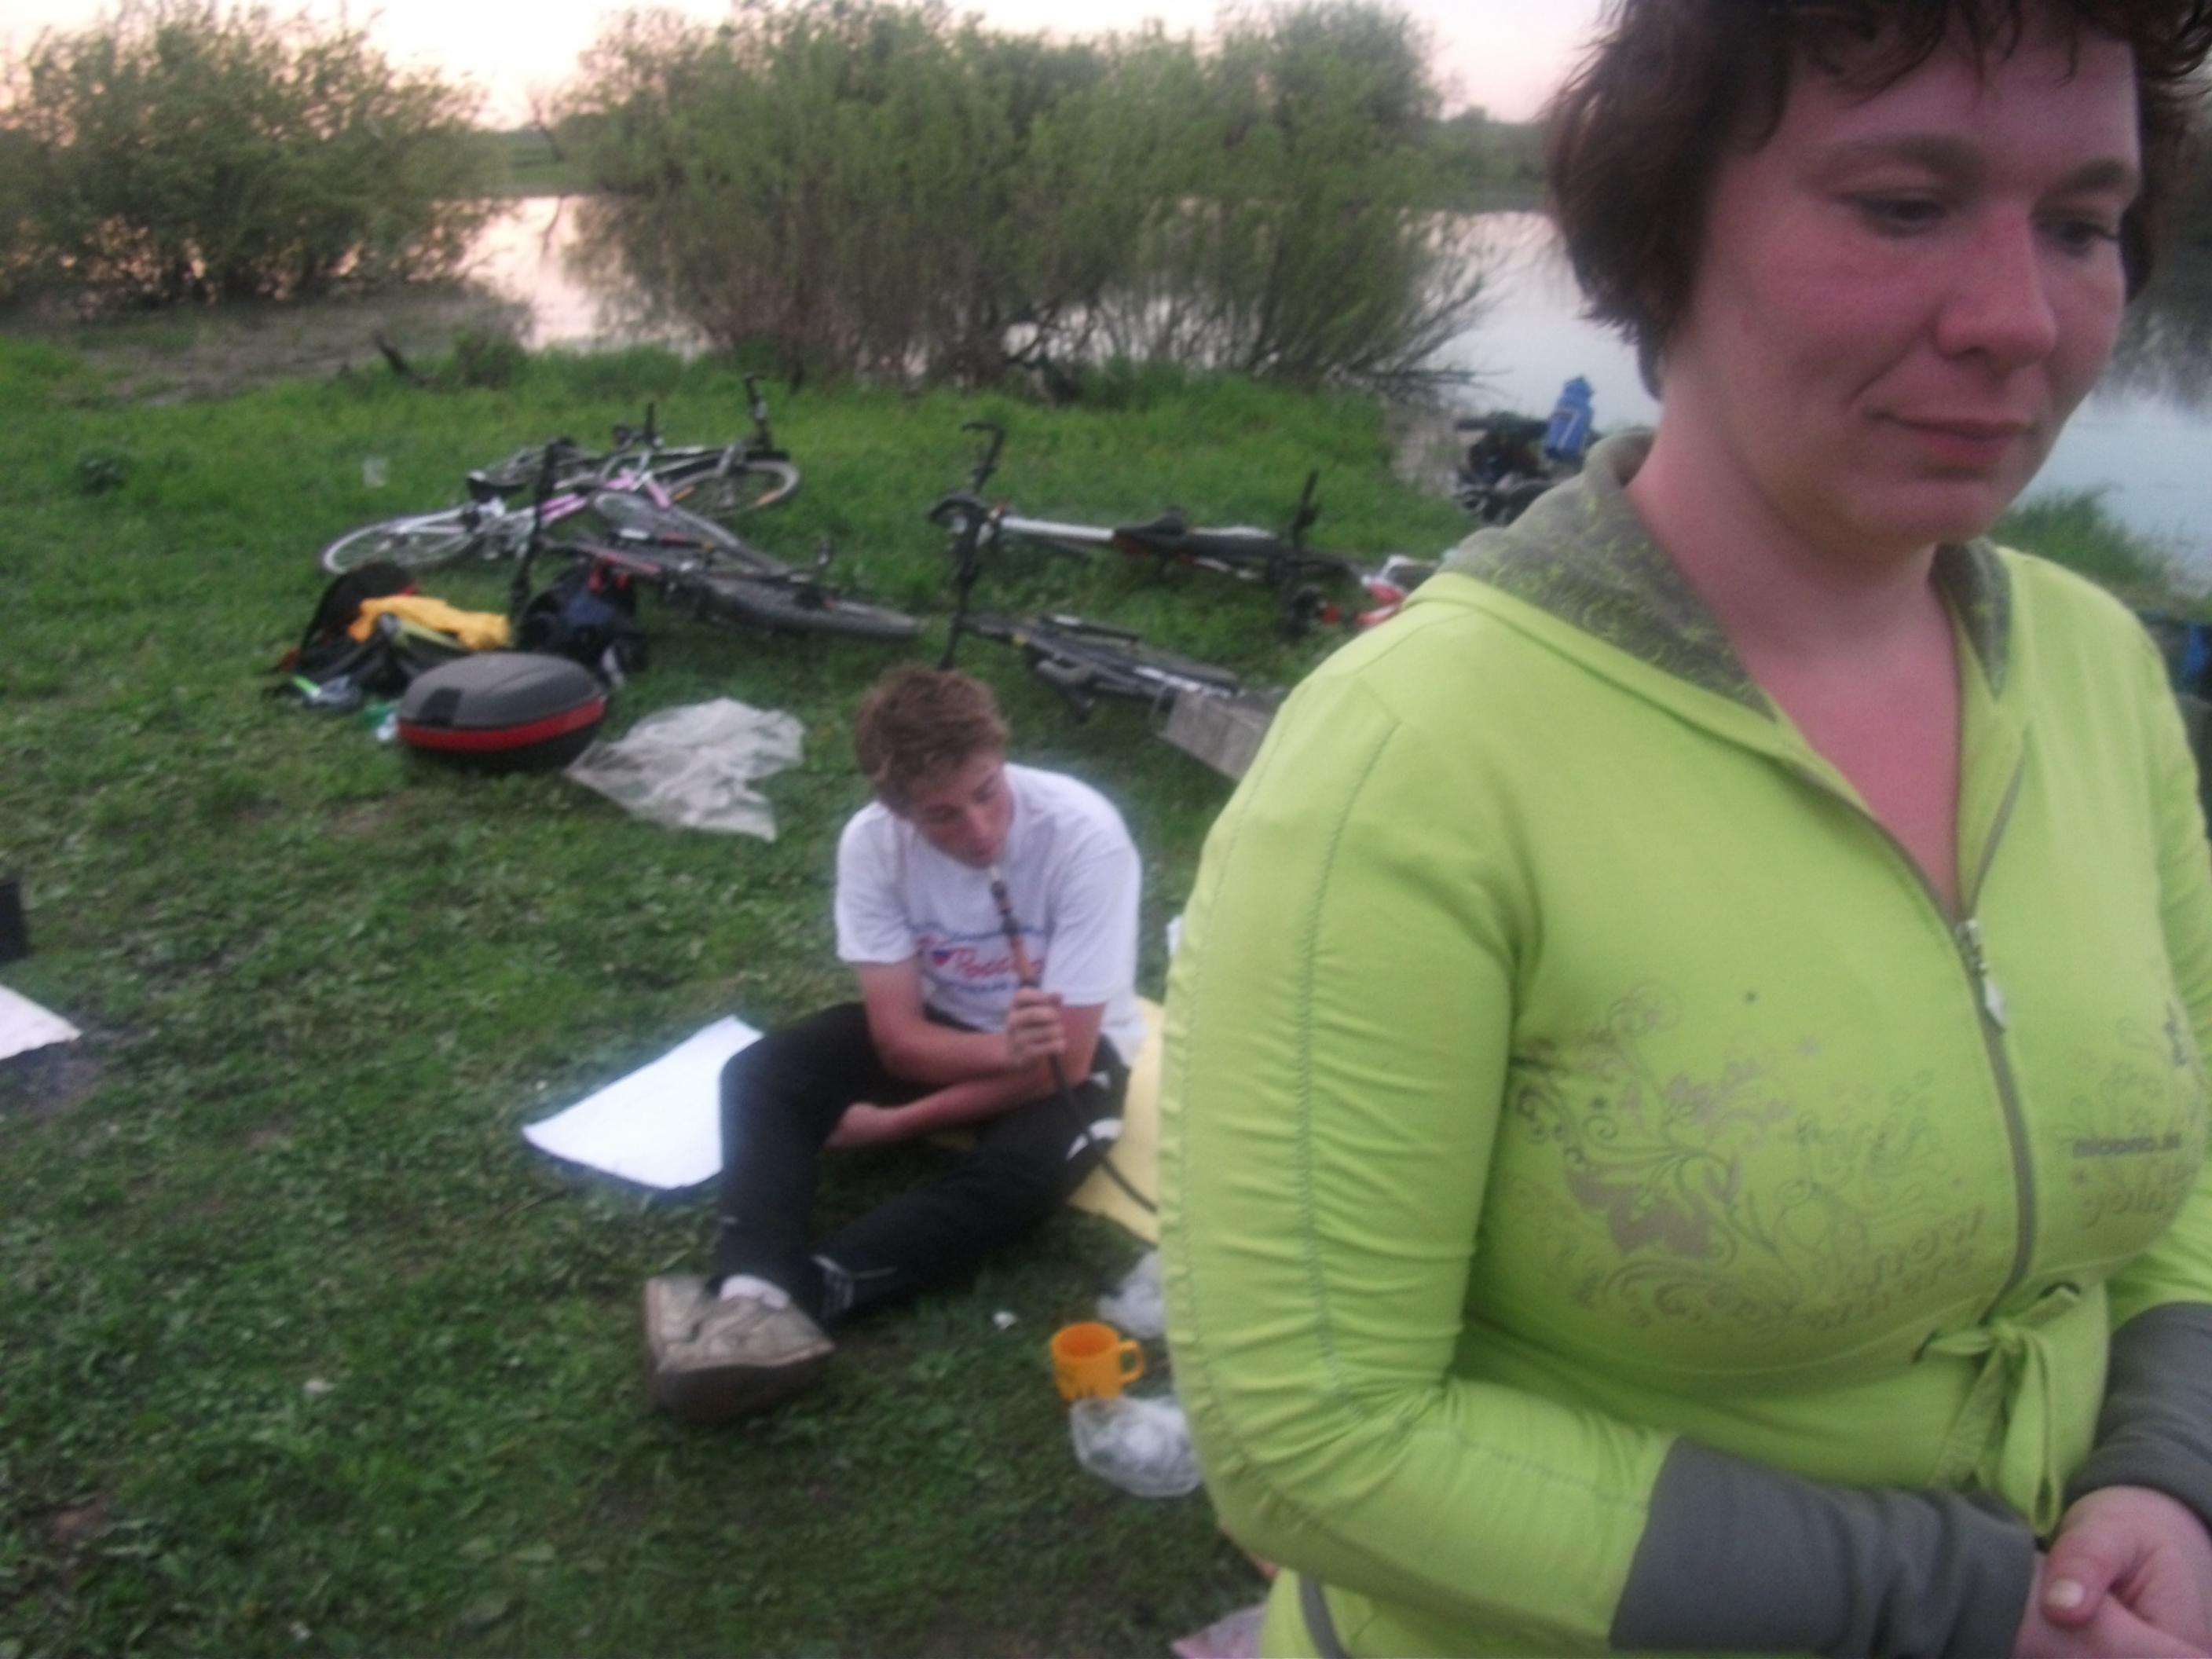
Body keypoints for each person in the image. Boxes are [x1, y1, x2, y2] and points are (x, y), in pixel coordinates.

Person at [1158, 2, 2212, 1656]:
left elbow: (2187, 1157)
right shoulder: (1413, 760)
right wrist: (1964, 1604)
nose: (2017, 319)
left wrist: (2164, 1467)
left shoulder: (2098, 668)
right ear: (1664, 235)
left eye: (2081, 223)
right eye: (1904, 204)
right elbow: (1314, 1440)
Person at [646, 665, 1144, 1420]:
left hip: (1070, 1057)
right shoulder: (872, 845)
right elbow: (900, 1042)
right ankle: (751, 1284)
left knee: (1025, 1172)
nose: (980, 832)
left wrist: (899, 1124)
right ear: (896, 810)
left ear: (1000, 757)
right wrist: (999, 1051)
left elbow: (1065, 1062)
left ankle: (792, 1297)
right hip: (957, 1034)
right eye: (942, 816)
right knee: (760, 1073)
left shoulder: (1084, 837)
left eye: (987, 793)